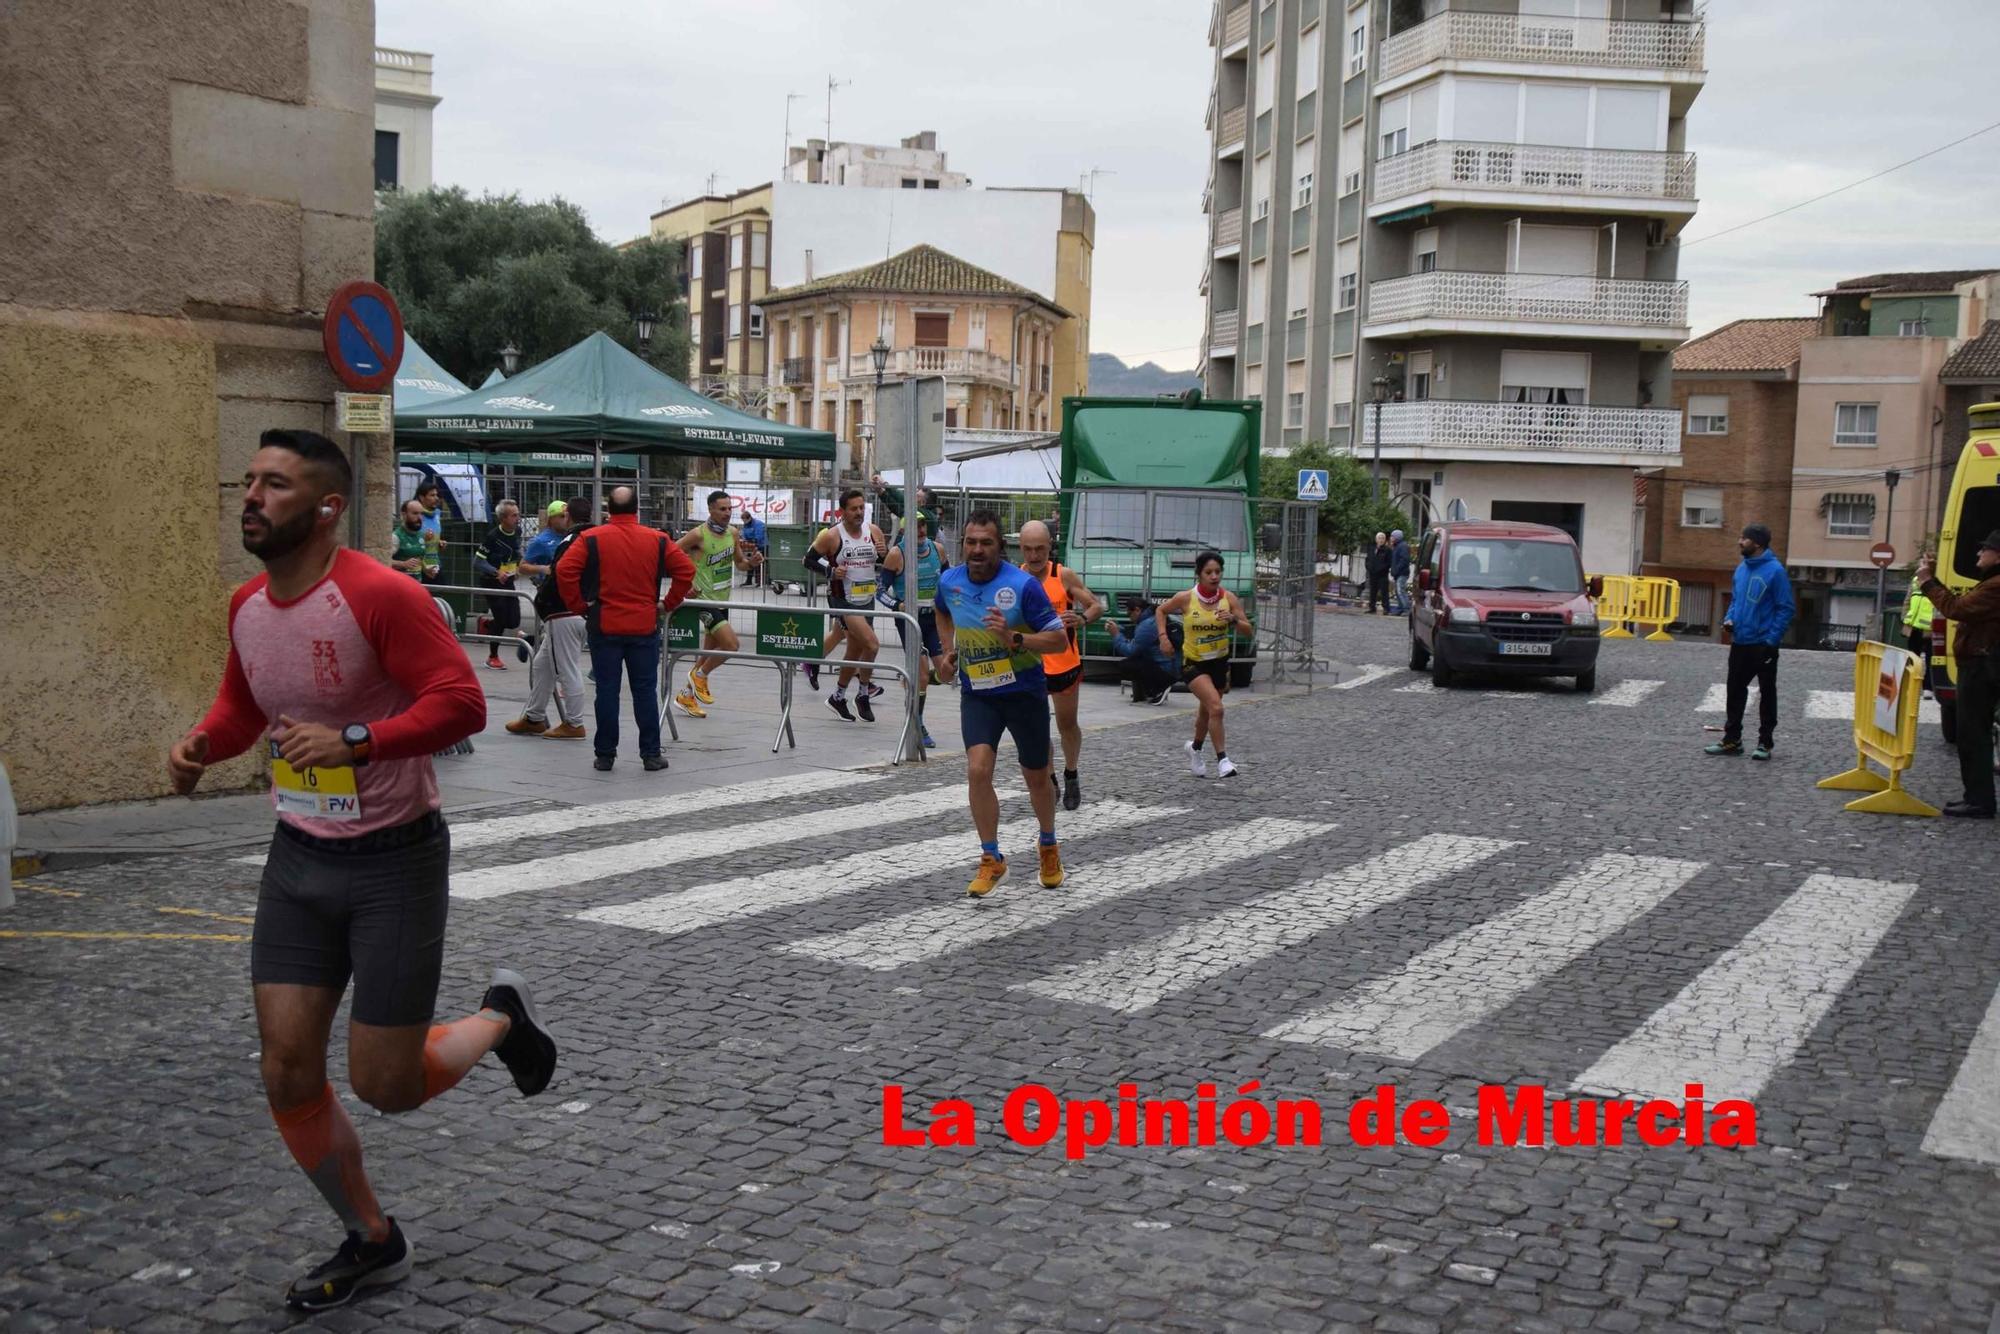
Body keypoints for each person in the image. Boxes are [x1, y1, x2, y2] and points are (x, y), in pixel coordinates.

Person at [167, 429, 557, 1313]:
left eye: (275, 483)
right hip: (298, 859)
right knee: (286, 1068)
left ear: (328, 506)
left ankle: (499, 1018)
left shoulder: (381, 596)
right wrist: (202, 744)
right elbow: (243, 706)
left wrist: (355, 739)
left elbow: (459, 703)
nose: (253, 497)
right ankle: (373, 1240)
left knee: (388, 1086)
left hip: (393, 864)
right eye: (250, 480)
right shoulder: (248, 607)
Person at [934, 509, 1072, 896]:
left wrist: (1015, 638)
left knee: (1036, 776)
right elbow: (941, 612)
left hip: (1024, 692)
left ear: (1000, 547)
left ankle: (1048, 844)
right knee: (978, 770)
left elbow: (1059, 640)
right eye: (971, 542)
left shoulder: (1023, 586)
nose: (977, 550)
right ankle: (992, 858)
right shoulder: (950, 581)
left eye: (986, 543)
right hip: (978, 694)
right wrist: (947, 652)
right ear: (963, 544)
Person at [555, 485, 695, 772]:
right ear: (637, 510)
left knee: (606, 690)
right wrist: (667, 603)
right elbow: (686, 571)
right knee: (645, 690)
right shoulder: (657, 539)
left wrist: (580, 605)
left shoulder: (590, 538)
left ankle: (605, 755)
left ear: (608, 509)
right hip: (643, 624)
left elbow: (564, 570)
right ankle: (651, 754)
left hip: (604, 623)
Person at [1017, 519, 1105, 811]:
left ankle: (1071, 772)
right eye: (1028, 549)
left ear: (1050, 547)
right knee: (1038, 728)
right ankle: (1051, 777)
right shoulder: (1016, 578)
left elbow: (1095, 605)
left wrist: (1082, 618)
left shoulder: (1062, 575)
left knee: (1066, 724)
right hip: (1031, 665)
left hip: (1064, 663)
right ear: (1020, 549)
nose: (1034, 556)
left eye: (1040, 549)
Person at [1917, 529, 2000, 818]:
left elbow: (1956, 608)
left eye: (1985, 549)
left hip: (1981, 667)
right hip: (1980, 663)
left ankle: (1980, 801)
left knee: (1973, 734)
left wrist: (1928, 583)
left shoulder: (1995, 586)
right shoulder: (1990, 582)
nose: (1979, 553)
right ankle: (1975, 797)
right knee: (1972, 733)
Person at [802, 488, 903, 723]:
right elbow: (807, 560)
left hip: (866, 597)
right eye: (854, 509)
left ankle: (838, 696)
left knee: (855, 650)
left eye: (861, 508)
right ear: (843, 512)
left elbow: (882, 561)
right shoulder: (831, 535)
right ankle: (863, 693)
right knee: (872, 644)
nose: (859, 513)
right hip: (843, 598)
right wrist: (830, 571)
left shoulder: (874, 531)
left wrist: (882, 554)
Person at [1157, 551, 1253, 778]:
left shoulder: (1228, 599)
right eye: (1208, 572)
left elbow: (1248, 631)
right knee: (1216, 708)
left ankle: (1195, 749)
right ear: (1199, 574)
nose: (1214, 577)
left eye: (1218, 572)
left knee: (1206, 710)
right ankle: (1223, 761)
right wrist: (1163, 638)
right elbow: (1160, 610)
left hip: (1219, 663)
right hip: (1193, 663)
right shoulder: (1186, 598)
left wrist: (1233, 620)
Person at [1705, 522, 1796, 761]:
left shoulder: (1775, 571)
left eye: (1744, 538)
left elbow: (1785, 608)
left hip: (1763, 644)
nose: (1739, 541)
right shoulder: (1741, 569)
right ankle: (1732, 740)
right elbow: (1735, 601)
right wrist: (1729, 619)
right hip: (1740, 641)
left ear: (1757, 543)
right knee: (1734, 691)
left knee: (1767, 694)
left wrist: (1772, 640)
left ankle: (1765, 743)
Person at [673, 490, 763, 719]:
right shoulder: (698, 534)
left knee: (707, 652)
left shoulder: (733, 533)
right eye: (722, 509)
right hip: (703, 601)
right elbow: (671, 553)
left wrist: (751, 563)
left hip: (723, 599)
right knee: (731, 645)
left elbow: (740, 564)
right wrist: (685, 584)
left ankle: (686, 695)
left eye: (729, 508)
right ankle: (701, 676)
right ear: (710, 510)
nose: (727, 513)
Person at [507, 497, 591, 740]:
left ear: (567, 515)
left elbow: (560, 574)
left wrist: (545, 599)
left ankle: (574, 723)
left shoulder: (569, 541)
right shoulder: (594, 537)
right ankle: (534, 716)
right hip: (577, 610)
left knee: (567, 668)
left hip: (563, 611)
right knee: (544, 664)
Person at [877, 510, 948, 748]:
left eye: (923, 525)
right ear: (904, 531)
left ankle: (915, 681)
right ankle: (917, 721)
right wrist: (899, 604)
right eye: (915, 526)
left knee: (946, 671)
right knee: (920, 673)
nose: (920, 530)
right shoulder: (896, 555)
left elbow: (948, 582)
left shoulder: (937, 549)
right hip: (909, 620)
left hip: (935, 619)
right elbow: (879, 592)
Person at [473, 499, 529, 669]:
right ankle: (492, 657)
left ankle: (487, 624)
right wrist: (496, 572)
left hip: (509, 581)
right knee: (502, 618)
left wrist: (518, 567)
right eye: (514, 515)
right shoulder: (492, 537)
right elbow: (477, 562)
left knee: (513, 621)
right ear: (502, 519)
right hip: (491, 581)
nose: (518, 518)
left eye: (518, 514)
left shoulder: (517, 531)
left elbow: (516, 553)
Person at [1106, 602, 1181, 704]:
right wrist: (1120, 629)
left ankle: (1159, 688)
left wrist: (1116, 634)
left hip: (1166, 670)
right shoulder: (1153, 619)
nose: (1129, 618)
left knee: (1127, 665)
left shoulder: (1147, 624)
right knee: (1137, 659)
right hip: (1172, 664)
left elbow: (1130, 651)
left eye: (1129, 614)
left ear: (1137, 610)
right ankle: (1148, 691)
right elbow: (1138, 637)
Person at [412, 479, 447, 587]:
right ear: (422, 498)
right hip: (419, 568)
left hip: (435, 564)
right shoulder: (415, 515)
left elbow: (435, 538)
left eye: (436, 495)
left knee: (439, 598)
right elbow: (410, 542)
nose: (436, 498)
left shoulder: (437, 514)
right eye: (432, 495)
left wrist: (440, 543)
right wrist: (424, 539)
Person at [389, 500, 434, 582]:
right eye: (415, 513)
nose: (420, 517)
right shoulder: (396, 537)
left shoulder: (421, 535)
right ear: (404, 515)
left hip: (416, 586)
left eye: (421, 514)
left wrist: (426, 569)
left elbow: (418, 558)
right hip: (398, 585)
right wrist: (403, 564)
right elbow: (382, 560)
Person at [1904, 569, 1937, 658]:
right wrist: (1904, 617)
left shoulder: (1937, 580)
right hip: (1913, 625)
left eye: (1925, 562)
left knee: (1929, 656)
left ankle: (1928, 672)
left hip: (1929, 628)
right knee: (1912, 657)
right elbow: (1908, 600)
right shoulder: (1915, 580)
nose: (1922, 566)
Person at [738, 507, 769, 587]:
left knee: (759, 563)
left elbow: (759, 537)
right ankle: (748, 580)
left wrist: (751, 541)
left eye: (745, 520)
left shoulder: (758, 524)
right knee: (749, 561)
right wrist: (744, 541)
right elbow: (744, 534)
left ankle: (761, 581)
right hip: (752, 545)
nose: (744, 522)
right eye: (743, 521)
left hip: (762, 545)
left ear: (749, 518)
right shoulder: (746, 525)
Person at [1365, 532, 1392, 615]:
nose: (1381, 540)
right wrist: (1369, 568)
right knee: (1372, 592)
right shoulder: (1372, 549)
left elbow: (1388, 563)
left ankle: (1386, 609)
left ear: (1384, 540)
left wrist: (1380, 569)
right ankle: (1372, 607)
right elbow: (1367, 560)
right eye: (1379, 538)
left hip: (1382, 575)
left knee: (1384, 592)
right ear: (1376, 539)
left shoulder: (1387, 550)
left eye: (1382, 538)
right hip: (1372, 574)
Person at [1388, 529, 1412, 615]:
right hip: (1399, 573)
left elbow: (1404, 560)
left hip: (1402, 573)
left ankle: (1406, 609)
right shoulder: (1398, 546)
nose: (1391, 538)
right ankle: (1400, 608)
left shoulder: (1402, 546)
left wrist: (1396, 570)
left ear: (1396, 537)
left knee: (1400, 591)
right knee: (1398, 591)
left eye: (1392, 536)